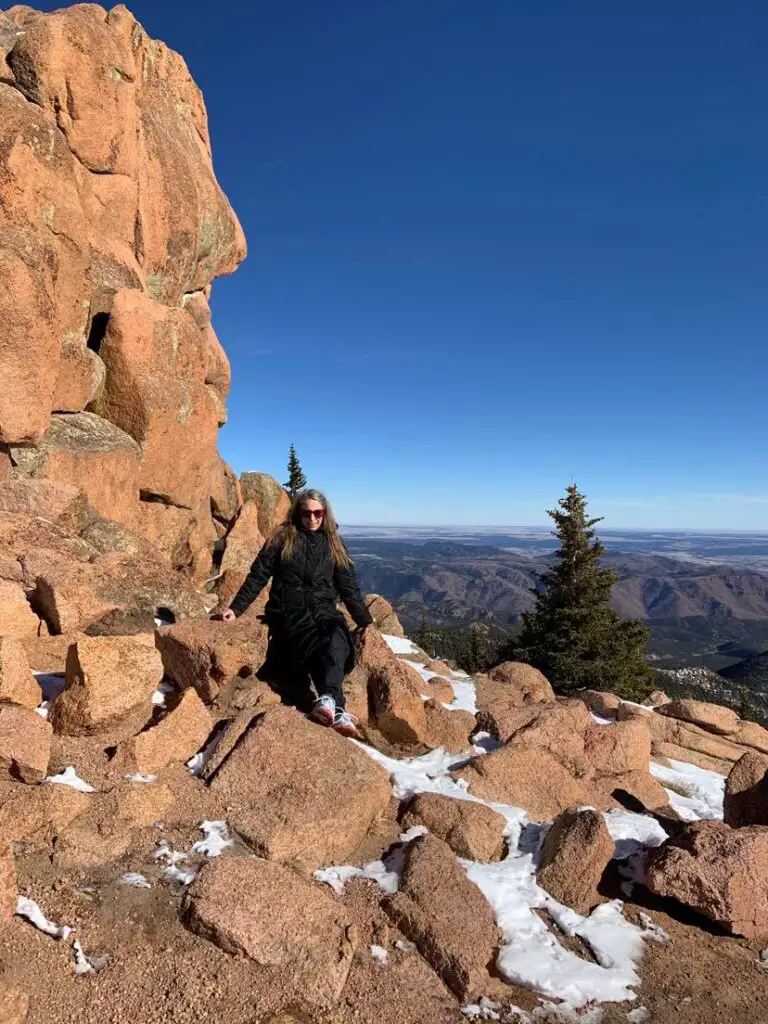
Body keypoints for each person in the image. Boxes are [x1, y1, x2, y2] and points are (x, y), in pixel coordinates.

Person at [219, 488, 373, 736]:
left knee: (337, 635)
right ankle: (338, 708)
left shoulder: (333, 542)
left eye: (317, 513)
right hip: (288, 609)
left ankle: (329, 702)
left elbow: (348, 587)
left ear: (325, 514)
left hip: (323, 609)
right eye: (306, 513)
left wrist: (365, 621)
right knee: (316, 640)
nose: (312, 518)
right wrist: (236, 609)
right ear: (297, 513)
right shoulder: (283, 537)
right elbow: (258, 574)